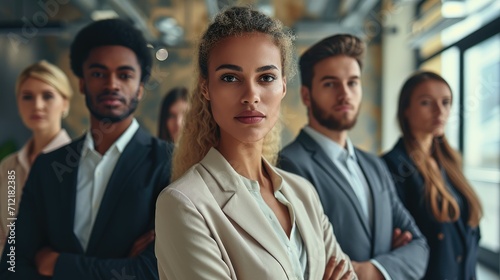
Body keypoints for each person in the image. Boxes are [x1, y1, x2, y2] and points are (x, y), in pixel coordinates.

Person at [155, 7, 356, 280]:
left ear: (283, 86)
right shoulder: (184, 204)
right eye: (230, 78)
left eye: (266, 78)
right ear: (205, 88)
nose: (251, 95)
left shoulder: (303, 193)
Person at [0, 19, 173, 279]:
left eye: (124, 75)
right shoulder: (48, 166)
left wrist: (57, 264)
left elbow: (154, 270)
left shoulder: (167, 162)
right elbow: (12, 262)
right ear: (82, 83)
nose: (112, 84)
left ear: (139, 89)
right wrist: (117, 267)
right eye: (98, 73)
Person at [279, 34, 429, 279]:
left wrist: (368, 270)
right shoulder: (288, 165)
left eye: (353, 83)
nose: (344, 94)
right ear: (306, 96)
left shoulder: (374, 164)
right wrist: (391, 260)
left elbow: (419, 246)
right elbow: (306, 262)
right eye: (330, 84)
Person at [382, 71, 482, 279]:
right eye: (426, 103)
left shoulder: (451, 162)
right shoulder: (391, 166)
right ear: (406, 110)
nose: (440, 111)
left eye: (446, 102)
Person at [0, 60, 73, 256]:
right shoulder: (8, 166)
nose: (37, 105)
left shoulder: (77, 162)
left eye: (47, 96)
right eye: (27, 97)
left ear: (65, 103)